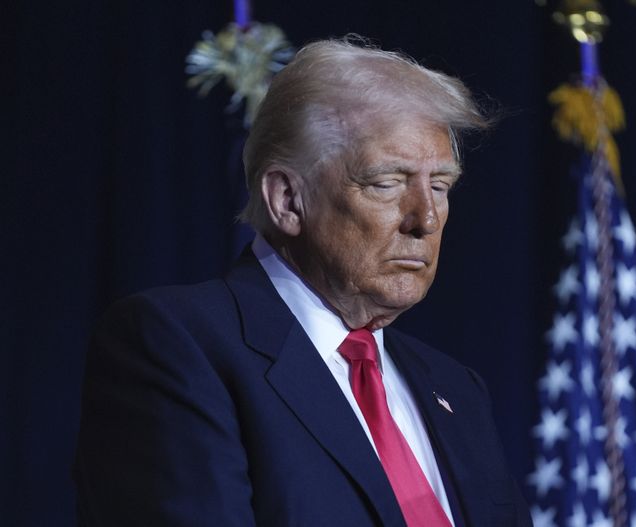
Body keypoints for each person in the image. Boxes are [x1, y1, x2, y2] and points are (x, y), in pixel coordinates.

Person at [74, 38, 532, 527]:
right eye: (387, 183)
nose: (425, 219)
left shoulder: (456, 388)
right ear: (288, 200)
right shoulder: (177, 345)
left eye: (439, 186)